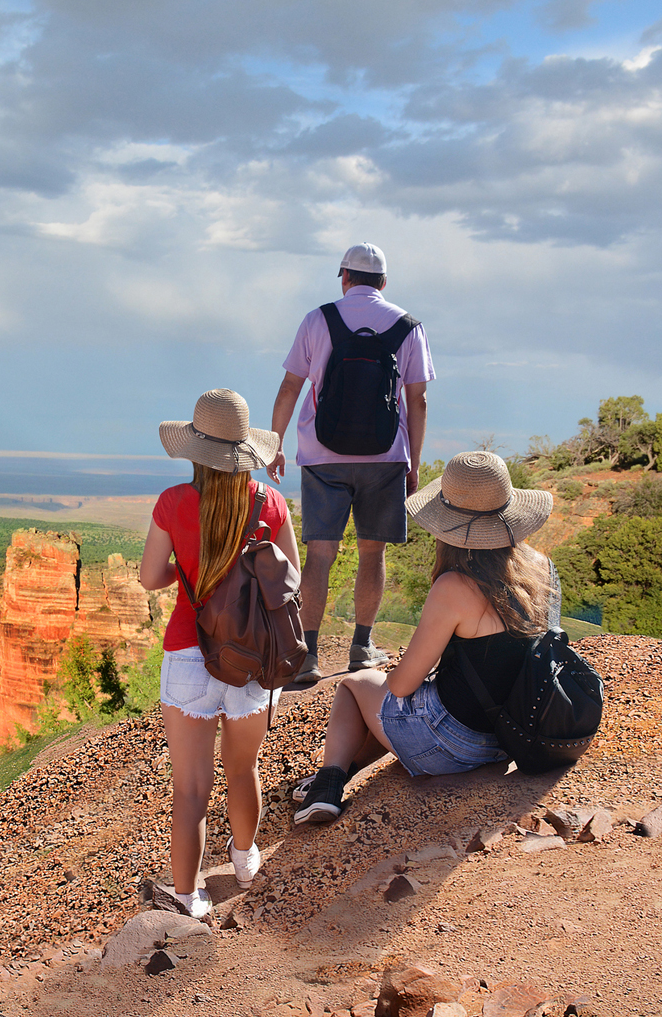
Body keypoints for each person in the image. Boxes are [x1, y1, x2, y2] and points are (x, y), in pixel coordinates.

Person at [292, 451, 558, 824]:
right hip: (514, 736)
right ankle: (334, 776)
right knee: (388, 709)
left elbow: (401, 688)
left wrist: (398, 674)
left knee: (356, 685)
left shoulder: (455, 585)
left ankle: (327, 789)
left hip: (454, 747)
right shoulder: (542, 568)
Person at [139, 389, 302, 917]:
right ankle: (244, 857)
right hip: (253, 654)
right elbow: (291, 581)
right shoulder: (272, 503)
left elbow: (148, 578)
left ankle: (189, 895)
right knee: (243, 767)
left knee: (189, 788)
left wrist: (188, 576)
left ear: (194, 451)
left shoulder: (173, 502)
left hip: (189, 651)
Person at [266, 243, 434, 683]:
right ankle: (362, 647)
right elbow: (417, 400)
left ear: (343, 276)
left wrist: (276, 443)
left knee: (320, 555)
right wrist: (413, 462)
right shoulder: (408, 326)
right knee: (371, 551)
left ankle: (308, 656)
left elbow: (289, 387)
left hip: (322, 456)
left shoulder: (317, 320)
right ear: (383, 282)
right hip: (384, 458)